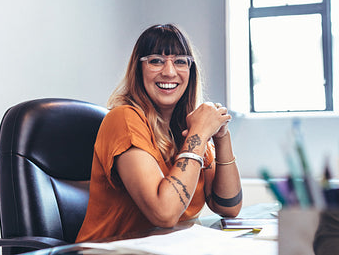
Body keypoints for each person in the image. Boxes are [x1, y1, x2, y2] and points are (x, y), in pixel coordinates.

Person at [76, 24, 242, 242]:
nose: (169, 72)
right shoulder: (124, 119)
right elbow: (164, 214)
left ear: (190, 72)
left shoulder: (188, 127)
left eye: (180, 61)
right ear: (139, 69)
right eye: (156, 61)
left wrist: (221, 137)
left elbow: (228, 207)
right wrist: (200, 134)